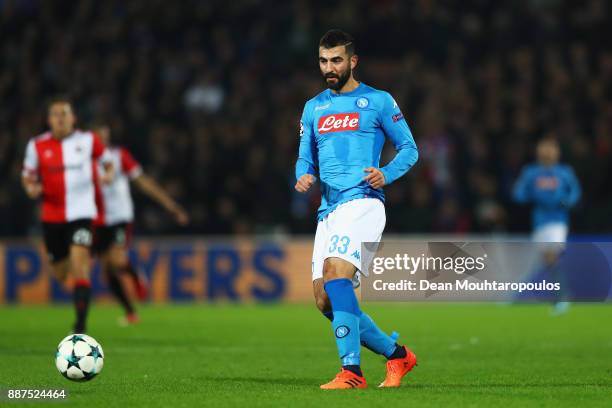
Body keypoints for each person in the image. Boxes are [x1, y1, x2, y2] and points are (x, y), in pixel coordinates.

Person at [295, 29, 419, 389]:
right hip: (327, 210)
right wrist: (303, 175)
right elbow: (305, 157)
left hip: (363, 201)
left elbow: (409, 149)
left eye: (336, 60)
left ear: (353, 61)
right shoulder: (313, 107)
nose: (329, 67)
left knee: (337, 277)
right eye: (323, 60)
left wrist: (387, 173)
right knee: (324, 300)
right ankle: (398, 356)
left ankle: (352, 372)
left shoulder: (379, 101)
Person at [22, 98, 114, 333]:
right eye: (55, 114)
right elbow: (28, 174)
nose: (60, 118)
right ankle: (76, 280)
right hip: (52, 217)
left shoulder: (88, 140)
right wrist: (30, 187)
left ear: (73, 118)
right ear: (49, 119)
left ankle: (80, 326)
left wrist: (108, 174)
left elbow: (108, 161)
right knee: (62, 274)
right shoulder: (36, 145)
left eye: (64, 113)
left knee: (80, 265)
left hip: (82, 213)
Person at [92, 124, 189, 325]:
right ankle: (130, 313)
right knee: (107, 269)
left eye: (105, 137)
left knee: (116, 260)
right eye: (98, 137)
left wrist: (171, 206)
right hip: (96, 219)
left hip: (119, 217)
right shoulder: (83, 161)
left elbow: (143, 182)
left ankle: (136, 276)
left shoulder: (119, 156)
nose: (102, 141)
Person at [513, 137, 581, 314]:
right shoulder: (531, 172)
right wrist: (528, 196)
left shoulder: (564, 172)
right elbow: (519, 193)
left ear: (557, 152)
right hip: (540, 221)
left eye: (551, 149)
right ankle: (560, 295)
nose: (547, 153)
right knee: (547, 259)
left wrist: (566, 202)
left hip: (557, 221)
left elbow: (574, 192)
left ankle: (562, 297)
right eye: (544, 149)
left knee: (551, 255)